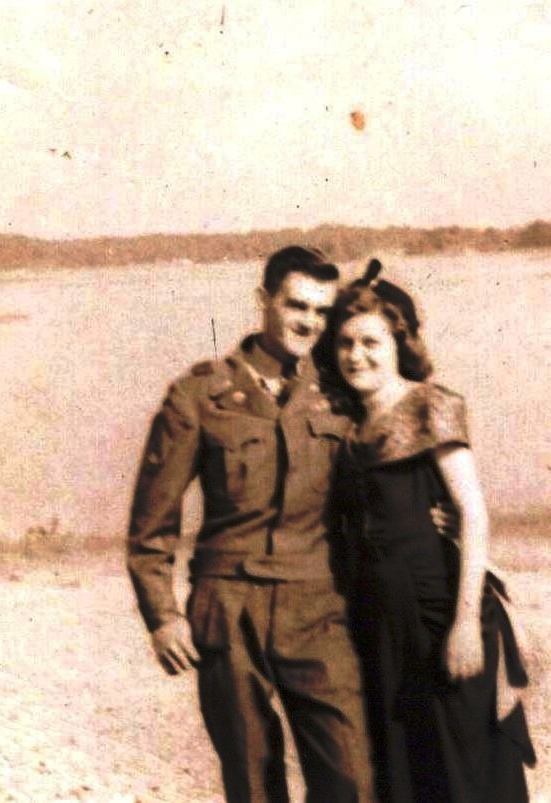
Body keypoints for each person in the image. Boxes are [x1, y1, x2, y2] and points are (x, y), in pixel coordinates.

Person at [126, 245, 373, 802]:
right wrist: (163, 616)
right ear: (264, 300)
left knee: (353, 779)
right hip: (229, 609)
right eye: (296, 305)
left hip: (319, 607)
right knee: (253, 780)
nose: (309, 322)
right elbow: (152, 525)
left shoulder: (339, 395)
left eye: (321, 311)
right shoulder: (200, 396)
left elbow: (379, 489)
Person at [321, 260, 536, 802]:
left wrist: (464, 624)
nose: (356, 355)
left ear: (400, 344)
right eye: (345, 343)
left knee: (462, 766)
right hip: (381, 620)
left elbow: (473, 512)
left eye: (371, 342)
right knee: (405, 768)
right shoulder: (349, 427)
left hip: (437, 610)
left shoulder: (430, 405)